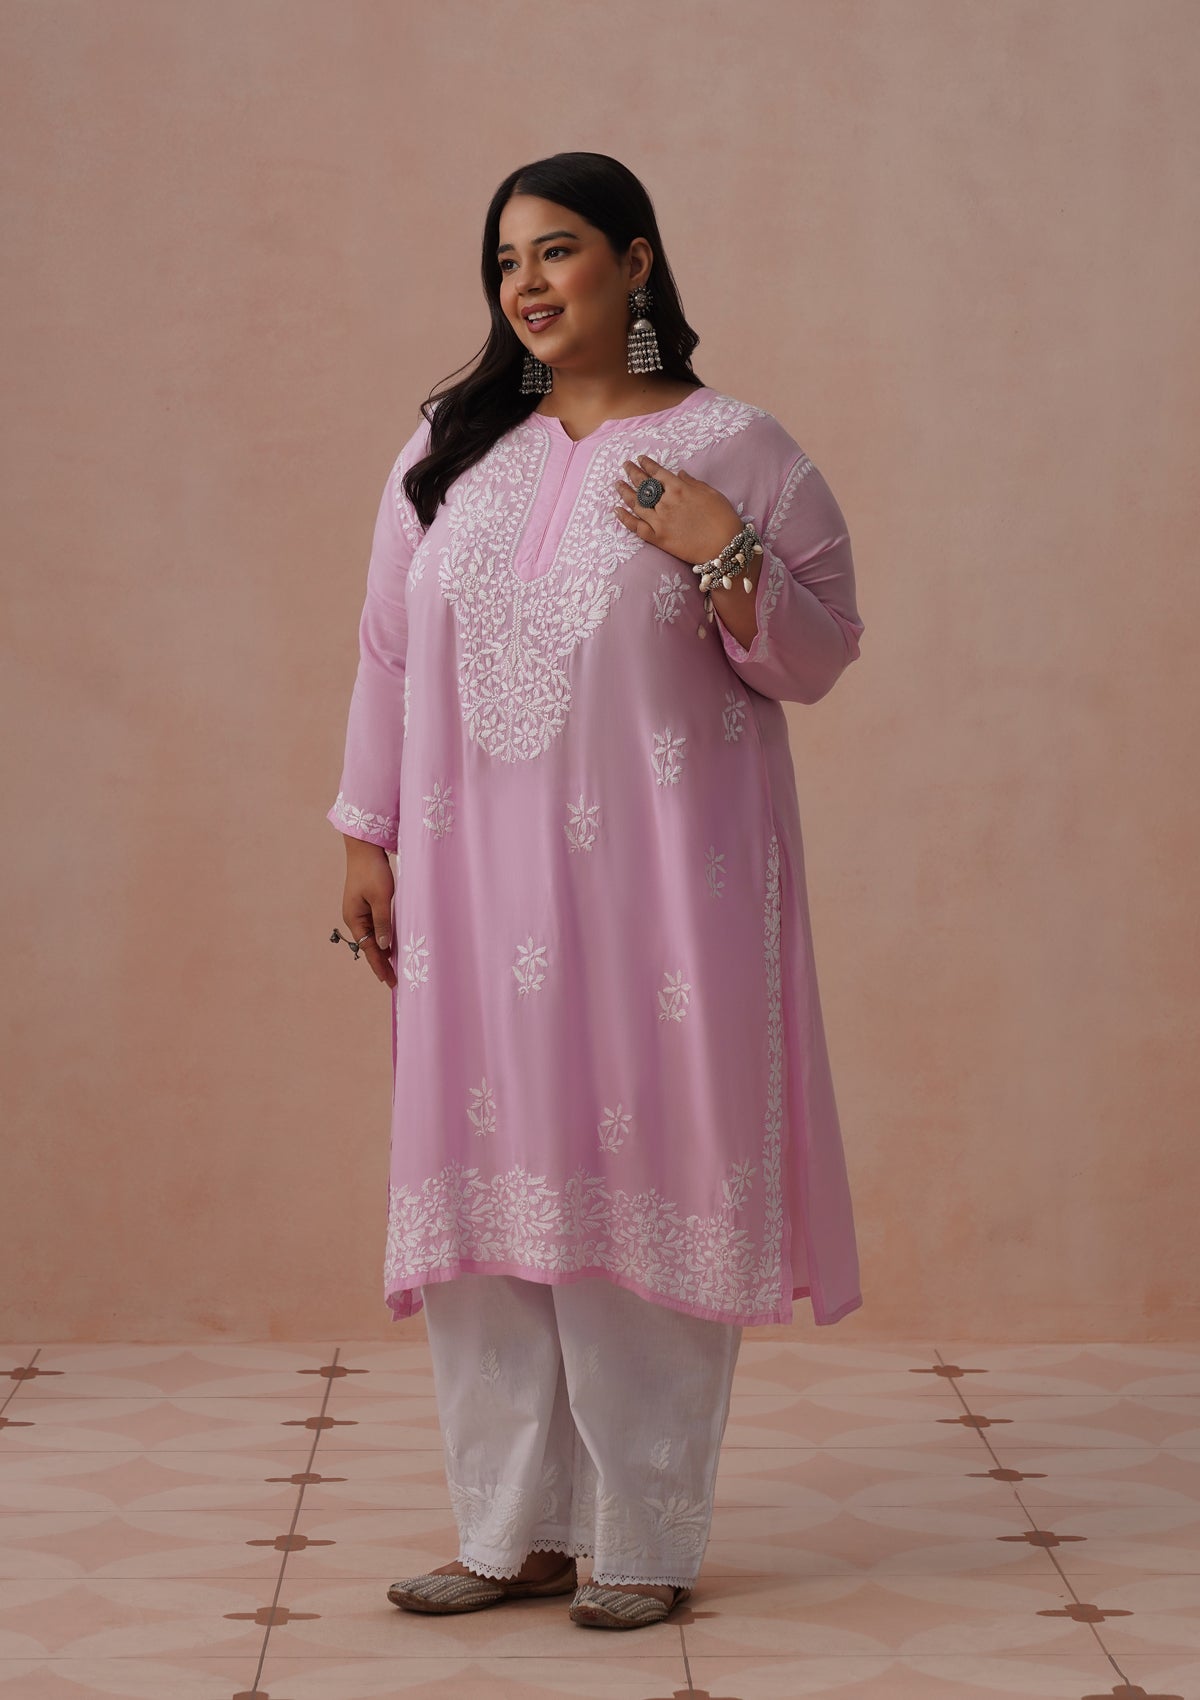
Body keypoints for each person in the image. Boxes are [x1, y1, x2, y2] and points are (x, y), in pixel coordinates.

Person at [326, 151, 865, 1631]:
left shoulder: (739, 447)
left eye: (557, 250)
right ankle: (509, 1532)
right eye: (506, 261)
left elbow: (818, 654)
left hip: (660, 896)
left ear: (635, 261)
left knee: (642, 1184)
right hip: (470, 889)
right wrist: (366, 835)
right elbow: (386, 652)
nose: (528, 284)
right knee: (489, 1198)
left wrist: (721, 545)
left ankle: (643, 1539)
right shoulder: (449, 448)